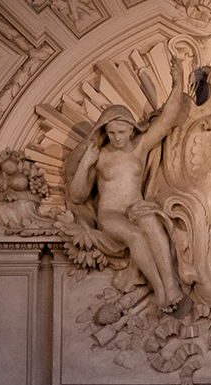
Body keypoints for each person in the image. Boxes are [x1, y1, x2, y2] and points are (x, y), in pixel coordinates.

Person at [65, 58, 194, 316]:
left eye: (122, 132)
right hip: (110, 213)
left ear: (131, 129)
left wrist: (178, 83)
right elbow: (77, 196)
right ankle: (160, 290)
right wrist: (85, 164)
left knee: (151, 224)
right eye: (112, 133)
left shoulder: (139, 147)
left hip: (136, 206)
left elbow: (167, 120)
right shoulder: (99, 156)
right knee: (135, 235)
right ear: (105, 131)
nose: (117, 138)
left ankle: (172, 286)